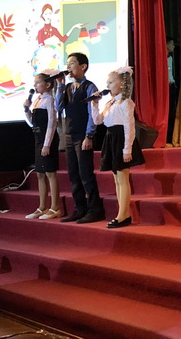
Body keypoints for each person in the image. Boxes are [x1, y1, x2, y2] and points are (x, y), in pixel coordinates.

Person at [90, 67, 145, 228]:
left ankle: (123, 214)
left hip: (121, 139)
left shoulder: (126, 102)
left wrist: (127, 149)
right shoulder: (110, 103)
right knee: (116, 179)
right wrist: (95, 104)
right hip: (110, 138)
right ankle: (122, 213)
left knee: (122, 178)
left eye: (111, 82)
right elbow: (98, 121)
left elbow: (129, 126)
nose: (107, 85)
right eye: (107, 82)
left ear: (121, 84)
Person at [56, 53, 105, 224]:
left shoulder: (89, 87)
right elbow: (58, 107)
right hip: (69, 135)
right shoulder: (67, 87)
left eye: (72, 63)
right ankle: (80, 208)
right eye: (67, 63)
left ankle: (95, 210)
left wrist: (89, 135)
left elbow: (92, 114)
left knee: (86, 174)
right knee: (73, 174)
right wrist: (60, 86)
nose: (68, 67)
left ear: (83, 66)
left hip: (83, 135)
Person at [23, 69, 62, 220]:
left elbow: (52, 123)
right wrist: (26, 110)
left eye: (38, 82)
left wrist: (47, 144)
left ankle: (55, 207)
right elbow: (32, 123)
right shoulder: (37, 100)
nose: (35, 85)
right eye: (35, 83)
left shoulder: (49, 100)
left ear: (48, 84)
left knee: (50, 172)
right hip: (38, 138)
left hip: (48, 139)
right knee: (40, 173)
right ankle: (42, 207)